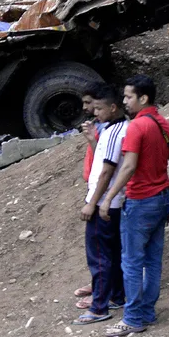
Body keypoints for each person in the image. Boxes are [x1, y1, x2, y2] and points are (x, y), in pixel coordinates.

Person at [99, 75, 169, 337]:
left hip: (139, 200)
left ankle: (133, 318)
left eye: (128, 97)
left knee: (132, 262)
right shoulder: (165, 125)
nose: (124, 102)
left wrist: (109, 196)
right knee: (153, 260)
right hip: (160, 200)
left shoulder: (135, 127)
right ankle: (147, 312)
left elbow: (129, 166)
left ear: (143, 98)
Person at [75, 83, 128, 324]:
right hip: (109, 201)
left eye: (99, 108)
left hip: (104, 204)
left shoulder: (117, 131)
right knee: (111, 253)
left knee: (99, 257)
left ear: (113, 108)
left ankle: (99, 307)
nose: (95, 113)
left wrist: (93, 203)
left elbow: (107, 171)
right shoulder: (109, 129)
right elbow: (103, 160)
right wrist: (91, 140)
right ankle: (117, 296)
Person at [74, 88, 102, 304]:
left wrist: (95, 201)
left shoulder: (113, 129)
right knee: (96, 245)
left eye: (89, 102)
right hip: (96, 190)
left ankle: (104, 291)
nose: (85, 108)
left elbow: (109, 165)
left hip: (103, 195)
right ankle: (98, 282)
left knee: (104, 247)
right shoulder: (98, 127)